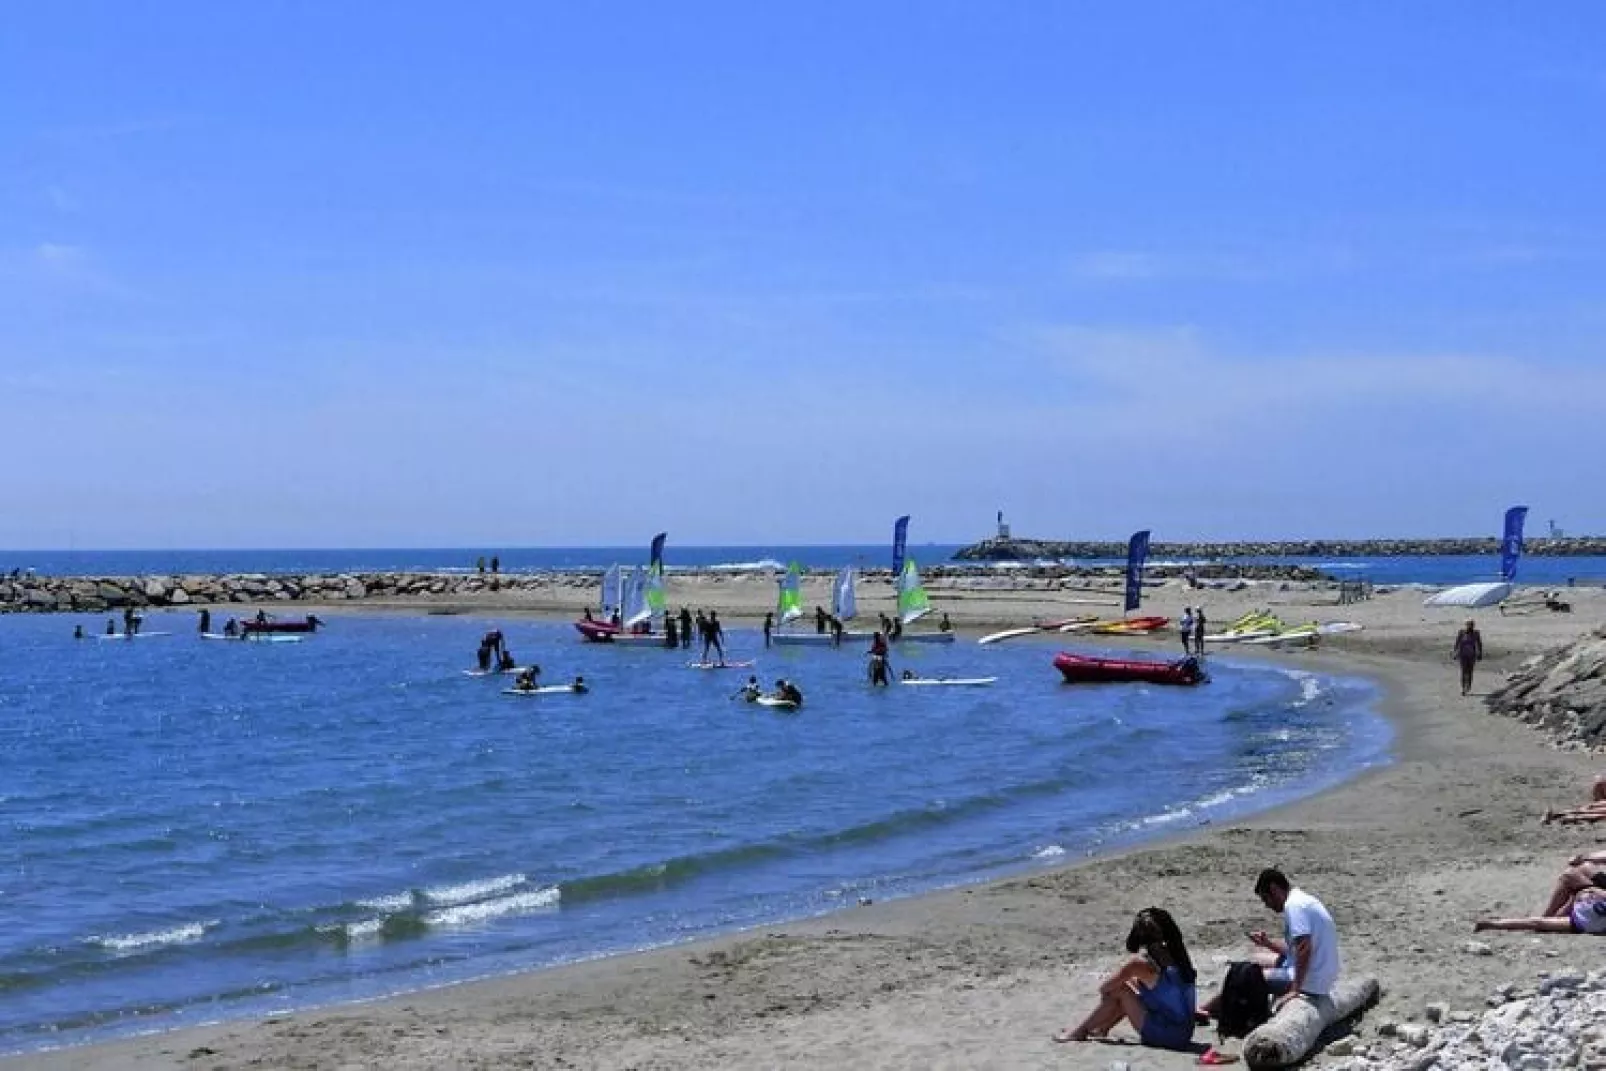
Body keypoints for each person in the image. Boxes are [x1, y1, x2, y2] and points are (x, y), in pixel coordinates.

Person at [1200, 868, 1341, 1022]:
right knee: (1256, 959)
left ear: (1274, 889)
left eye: (1266, 899)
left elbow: (1304, 948)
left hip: (1312, 980)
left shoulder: (1295, 907)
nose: (1267, 905)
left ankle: (1203, 1009)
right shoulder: (1301, 899)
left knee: (1248, 976)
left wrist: (1295, 989)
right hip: (1320, 971)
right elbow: (1294, 950)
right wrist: (1267, 943)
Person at [1053, 907, 1198, 1050]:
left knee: (1121, 991)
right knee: (1129, 988)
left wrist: (1111, 996)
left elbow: (1104, 988)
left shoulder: (1140, 964)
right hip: (1184, 1034)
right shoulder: (1179, 959)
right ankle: (1102, 1028)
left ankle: (1080, 1031)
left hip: (1168, 1035)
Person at [1475, 880, 1606, 935]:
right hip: (1583, 917)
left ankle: (1494, 924)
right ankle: (1494, 924)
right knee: (1538, 923)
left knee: (1538, 922)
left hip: (1581, 922)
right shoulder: (1580, 900)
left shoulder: (1577, 908)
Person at [1454, 620, 1483, 696]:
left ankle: (1468, 686)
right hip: (1462, 655)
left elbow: (1479, 644)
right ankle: (1463, 688)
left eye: (1471, 625)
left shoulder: (1476, 633)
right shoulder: (1461, 632)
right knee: (1463, 671)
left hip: (1472, 655)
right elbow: (1457, 643)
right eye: (1468, 625)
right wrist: (1455, 652)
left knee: (1470, 672)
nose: (1470, 626)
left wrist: (1480, 653)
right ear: (1466, 625)